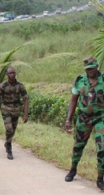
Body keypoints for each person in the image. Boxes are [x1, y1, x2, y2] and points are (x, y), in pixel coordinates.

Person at [64, 57, 104, 190]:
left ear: (97, 67)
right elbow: (73, 100)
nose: (90, 71)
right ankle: (73, 169)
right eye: (87, 69)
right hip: (83, 118)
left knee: (102, 149)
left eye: (92, 68)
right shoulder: (80, 80)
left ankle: (100, 178)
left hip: (100, 118)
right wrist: (68, 119)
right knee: (78, 146)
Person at [0, 67, 29, 160]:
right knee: (9, 129)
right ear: (7, 75)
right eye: (10, 73)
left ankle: (7, 142)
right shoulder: (2, 86)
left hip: (16, 110)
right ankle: (9, 148)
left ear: (15, 74)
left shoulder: (20, 86)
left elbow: (25, 99)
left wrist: (25, 114)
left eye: (13, 73)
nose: (11, 74)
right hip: (5, 109)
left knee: (13, 129)